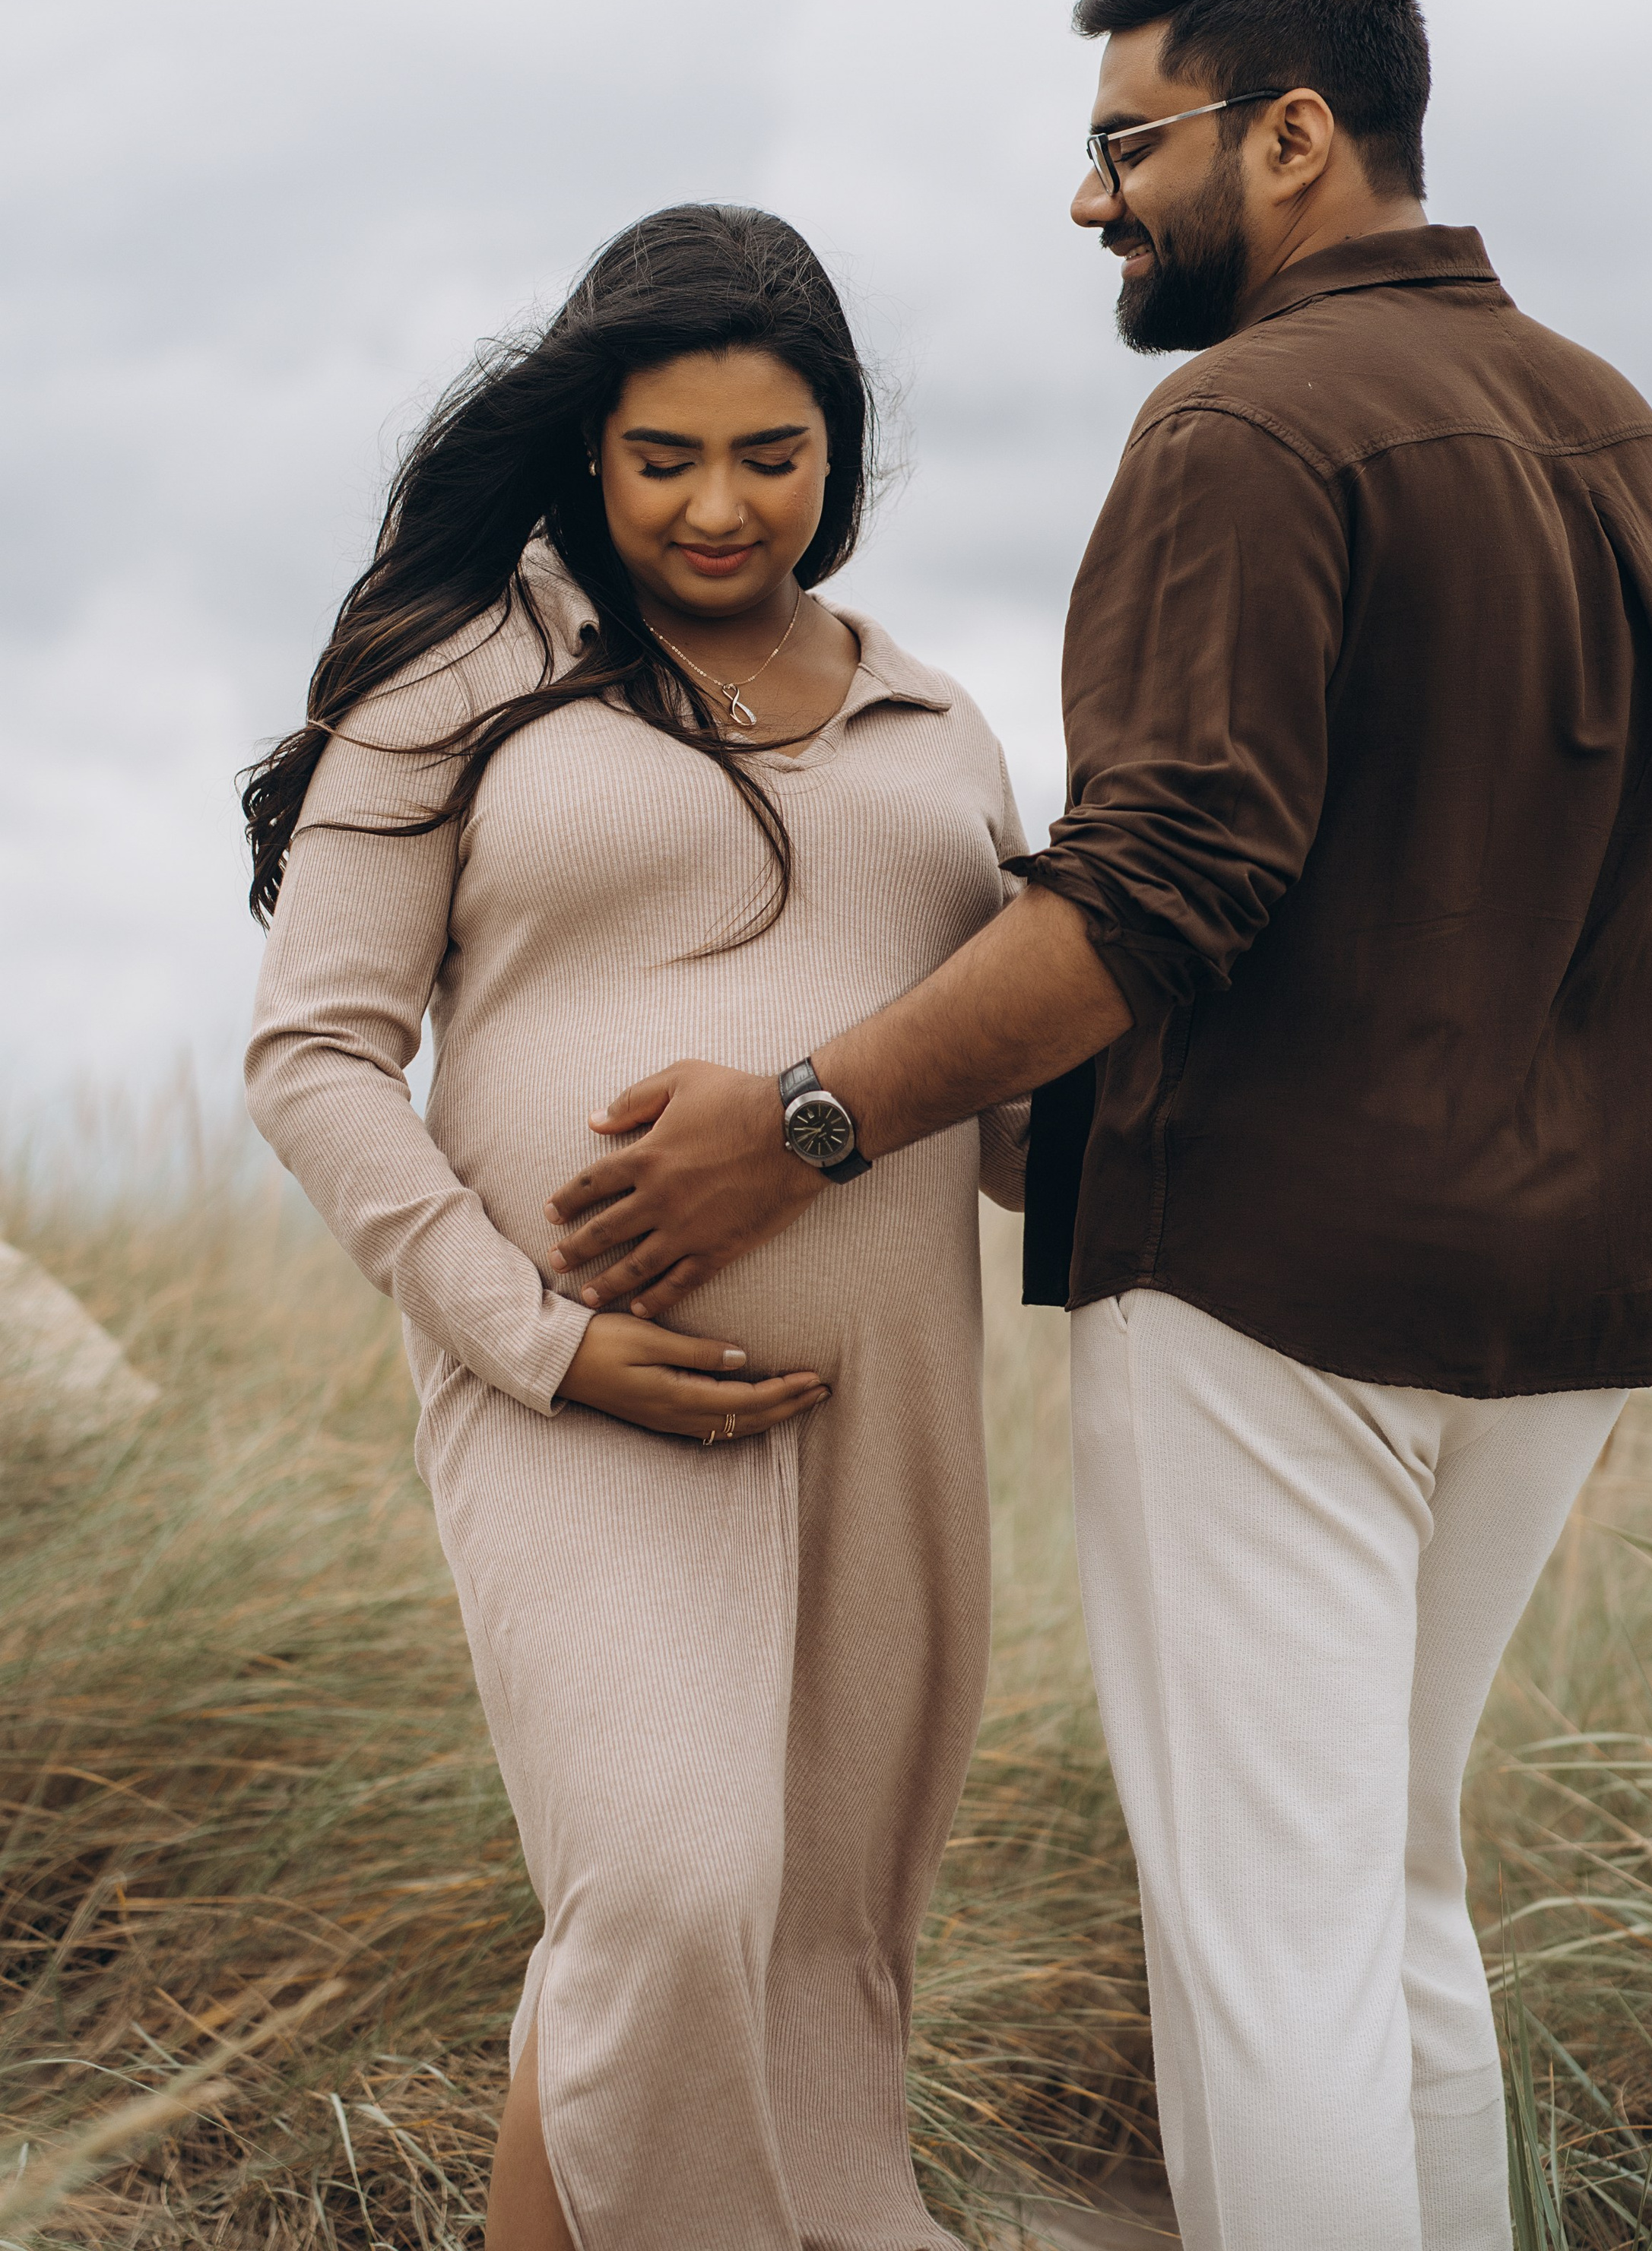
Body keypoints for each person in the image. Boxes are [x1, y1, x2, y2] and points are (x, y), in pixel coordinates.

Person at [539, 0, 1652, 2251]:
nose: (1092, 199)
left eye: (1130, 142)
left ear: (1291, 137)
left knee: (1271, 1953)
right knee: (1391, 1897)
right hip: (1573, 1297)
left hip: (1278, 1287)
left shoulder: (1242, 424)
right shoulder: (1616, 420)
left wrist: (803, 1118)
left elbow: (1164, 881)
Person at [243, 204, 1027, 2251]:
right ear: (590, 445)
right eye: (663, 456)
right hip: (569, 1400)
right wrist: (538, 1338)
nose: (717, 505)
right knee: (671, 1895)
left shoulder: (942, 729)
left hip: (884, 1422)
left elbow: (1022, 1126)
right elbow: (314, 1054)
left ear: (842, 450)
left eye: (772, 455)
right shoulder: (467, 674)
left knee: (786, 1945)